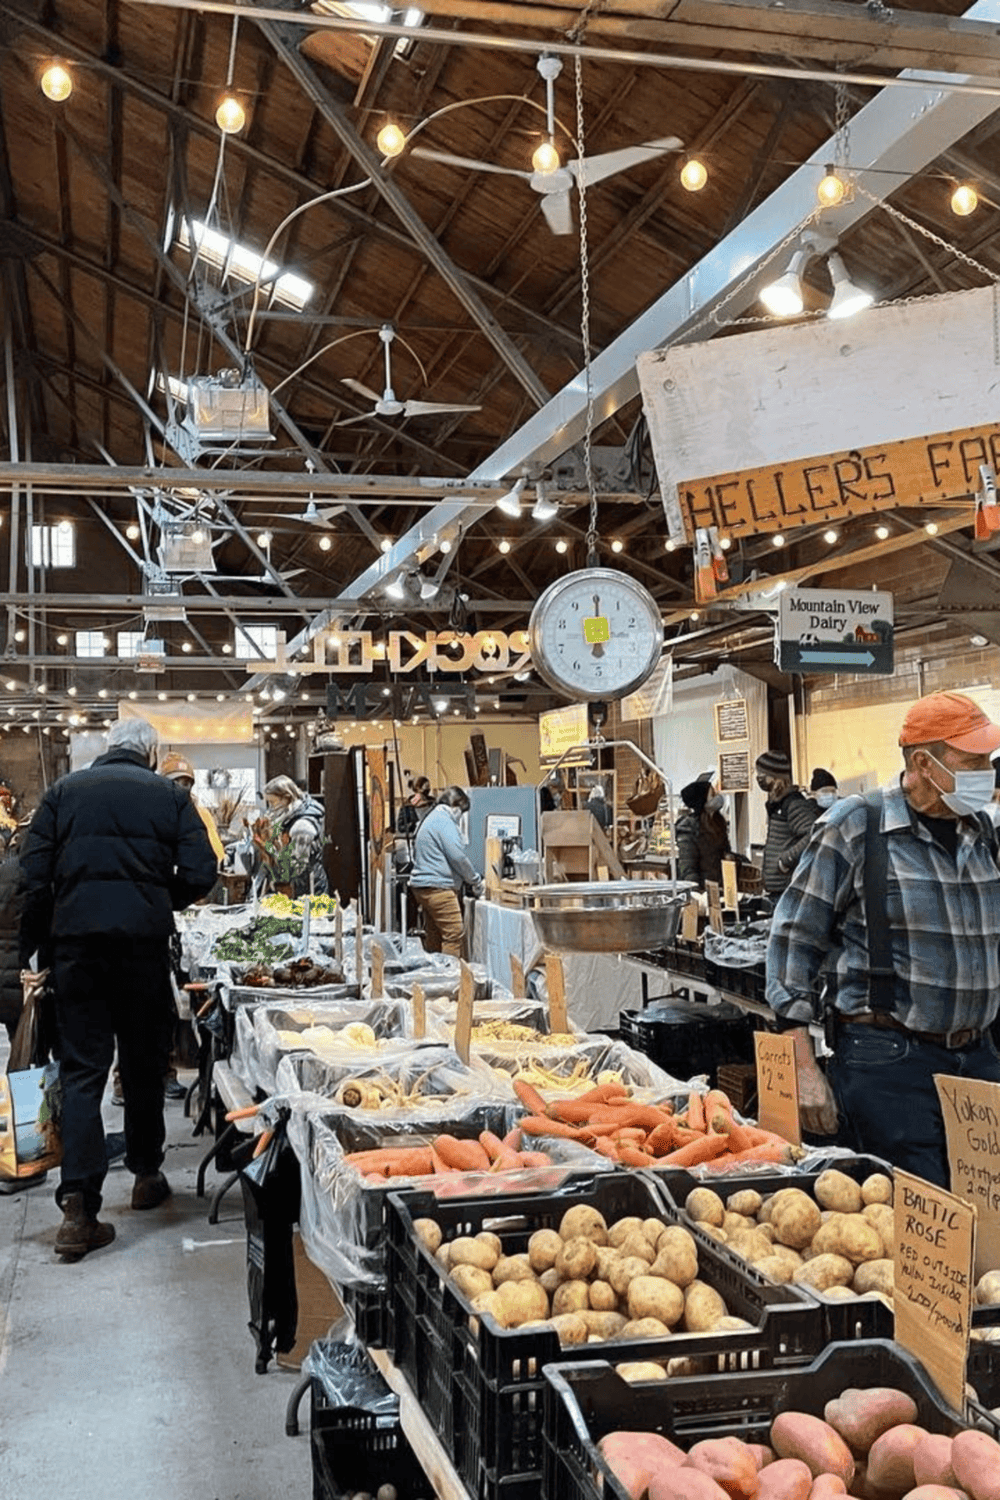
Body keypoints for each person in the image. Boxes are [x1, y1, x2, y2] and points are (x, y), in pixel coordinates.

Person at [766, 690, 1000, 1187]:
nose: (987, 771)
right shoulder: (857, 825)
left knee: (984, 1218)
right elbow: (793, 942)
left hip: (978, 1061)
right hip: (889, 1062)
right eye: (973, 760)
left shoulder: (981, 832)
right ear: (924, 762)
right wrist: (802, 1069)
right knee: (922, 1210)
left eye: (989, 760)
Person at [18, 717, 218, 1259]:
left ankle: (79, 1208)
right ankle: (147, 1175)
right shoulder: (167, 796)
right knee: (142, 1062)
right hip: (140, 950)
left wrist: (36, 946)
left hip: (75, 950)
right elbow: (204, 870)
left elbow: (32, 876)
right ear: (151, 753)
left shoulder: (63, 792)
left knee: (83, 1071)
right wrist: (157, 899)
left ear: (109, 750)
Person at [409, 786, 483, 957]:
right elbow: (458, 857)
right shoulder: (444, 820)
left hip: (423, 887)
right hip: (438, 888)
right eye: (462, 812)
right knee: (454, 934)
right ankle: (450, 979)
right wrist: (475, 880)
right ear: (456, 806)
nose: (461, 817)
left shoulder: (431, 817)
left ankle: (434, 977)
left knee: (434, 937)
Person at [756, 750, 819, 896]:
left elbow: (813, 832)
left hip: (788, 888)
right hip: (777, 889)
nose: (758, 777)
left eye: (761, 773)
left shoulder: (793, 804)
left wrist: (786, 860)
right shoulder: (776, 804)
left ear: (774, 775)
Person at [261, 774, 329, 897]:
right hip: (303, 886)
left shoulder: (301, 826)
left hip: (310, 891)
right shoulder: (292, 817)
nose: (270, 808)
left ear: (286, 798)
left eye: (272, 802)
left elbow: (297, 866)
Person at [675, 775, 733, 890]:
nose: (717, 797)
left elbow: (725, 853)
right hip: (702, 890)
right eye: (712, 795)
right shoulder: (688, 829)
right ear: (702, 801)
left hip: (719, 887)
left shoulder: (717, 822)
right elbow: (688, 868)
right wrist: (697, 895)